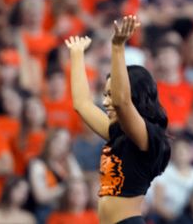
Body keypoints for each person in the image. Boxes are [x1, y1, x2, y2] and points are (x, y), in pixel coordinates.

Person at [67, 15, 171, 224]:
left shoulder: (147, 137)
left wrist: (117, 47)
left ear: (136, 96)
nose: (106, 103)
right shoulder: (117, 133)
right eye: (105, 95)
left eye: (110, 95)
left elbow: (122, 103)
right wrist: (77, 55)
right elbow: (82, 104)